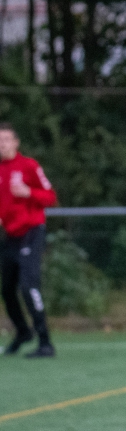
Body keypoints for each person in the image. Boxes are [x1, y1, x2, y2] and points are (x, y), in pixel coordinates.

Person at [0, 123, 56, 358]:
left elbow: (50, 197)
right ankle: (23, 332)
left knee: (28, 285)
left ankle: (45, 343)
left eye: (5, 139)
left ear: (16, 142)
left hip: (31, 232)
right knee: (7, 290)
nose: (1, 144)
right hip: (10, 235)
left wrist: (28, 192)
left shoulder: (28, 166)